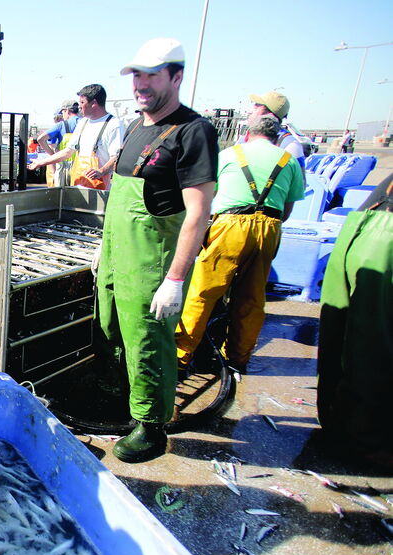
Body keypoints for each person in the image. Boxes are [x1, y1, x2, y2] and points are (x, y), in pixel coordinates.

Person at [95, 38, 218, 463]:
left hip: (152, 261)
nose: (141, 85)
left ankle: (151, 427)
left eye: (152, 75)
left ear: (176, 76)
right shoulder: (135, 127)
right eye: (136, 75)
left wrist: (175, 279)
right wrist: (105, 248)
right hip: (117, 254)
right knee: (111, 328)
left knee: (147, 340)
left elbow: (198, 212)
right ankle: (122, 399)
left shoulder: (193, 131)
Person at [175, 115, 306, 376]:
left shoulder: (228, 155)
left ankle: (180, 358)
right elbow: (287, 210)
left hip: (230, 225)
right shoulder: (289, 160)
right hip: (269, 228)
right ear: (277, 138)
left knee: (203, 293)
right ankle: (237, 360)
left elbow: (204, 197)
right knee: (251, 298)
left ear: (247, 133)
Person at [317, 172, 393, 467]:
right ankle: (368, 441)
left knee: (340, 333)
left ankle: (338, 424)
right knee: (375, 347)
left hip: (357, 233)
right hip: (384, 245)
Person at [28, 84, 124, 190]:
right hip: (78, 187)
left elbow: (116, 158)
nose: (79, 107)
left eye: (82, 102)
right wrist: (40, 163)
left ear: (94, 103)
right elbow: (68, 152)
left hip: (100, 190)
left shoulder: (114, 124)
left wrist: (101, 171)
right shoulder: (83, 123)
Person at [239, 91, 305, 172]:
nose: (250, 111)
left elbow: (300, 179)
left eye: (256, 108)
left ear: (269, 115)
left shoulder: (290, 145)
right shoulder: (244, 138)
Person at [34, 99, 82, 186]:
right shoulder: (86, 123)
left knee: (62, 193)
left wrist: (53, 155)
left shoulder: (61, 125)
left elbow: (40, 139)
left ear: (67, 111)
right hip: (81, 166)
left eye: (62, 112)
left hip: (64, 167)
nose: (62, 115)